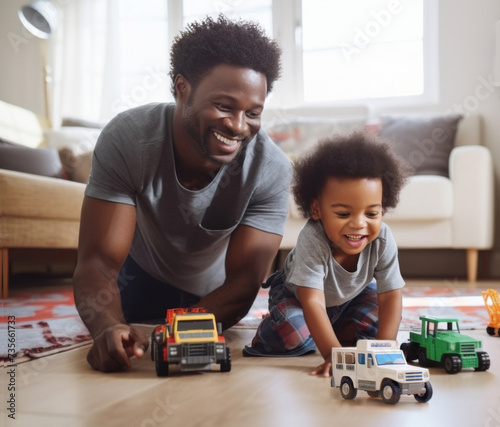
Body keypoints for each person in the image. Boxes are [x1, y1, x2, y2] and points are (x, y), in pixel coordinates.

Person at [73, 15, 291, 372]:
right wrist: (107, 326)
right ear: (181, 88)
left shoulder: (271, 168)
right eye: (224, 106)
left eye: (252, 113)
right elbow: (97, 261)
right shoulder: (128, 139)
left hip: (217, 297)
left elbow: (244, 281)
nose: (238, 126)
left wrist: (176, 332)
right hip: (136, 281)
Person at [243, 132, 412, 377]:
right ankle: (282, 326)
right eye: (344, 214)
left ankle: (328, 329)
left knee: (382, 322)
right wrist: (333, 353)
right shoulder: (313, 239)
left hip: (349, 298)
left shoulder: (383, 239)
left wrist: (385, 349)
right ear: (317, 209)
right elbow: (312, 301)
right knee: (294, 334)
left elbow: (391, 296)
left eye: (372, 214)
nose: (359, 224)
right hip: (298, 298)